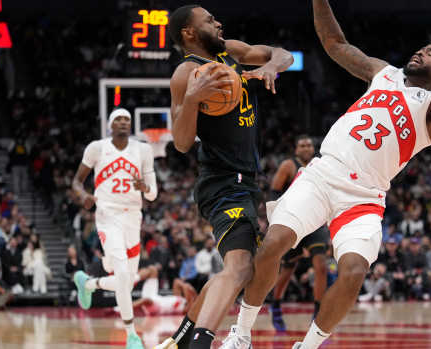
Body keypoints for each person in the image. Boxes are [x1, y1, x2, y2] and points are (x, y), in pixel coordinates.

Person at [223, 0, 431, 347]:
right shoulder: (384, 73)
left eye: (430, 54)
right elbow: (335, 44)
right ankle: (242, 333)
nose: (420, 53)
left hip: (365, 197)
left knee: (354, 272)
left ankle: (307, 346)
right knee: (274, 243)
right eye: (422, 48)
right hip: (324, 174)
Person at [155, 5, 293, 349]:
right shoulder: (187, 73)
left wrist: (272, 66)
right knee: (241, 265)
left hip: (246, 182)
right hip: (222, 182)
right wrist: (191, 100)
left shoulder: (230, 51)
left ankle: (180, 341)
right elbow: (183, 142)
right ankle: (201, 342)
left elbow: (282, 53)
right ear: (189, 32)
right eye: (209, 20)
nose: (218, 23)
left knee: (247, 266)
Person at [71, 107, 158, 349]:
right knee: (120, 273)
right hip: (107, 215)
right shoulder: (97, 148)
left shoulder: (143, 150)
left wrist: (145, 188)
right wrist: (83, 196)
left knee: (127, 282)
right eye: (118, 119)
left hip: (133, 217)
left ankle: (88, 283)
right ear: (110, 125)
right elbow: (76, 182)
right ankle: (132, 334)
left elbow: (153, 194)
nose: (123, 122)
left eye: (126, 119)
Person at [268, 135, 329, 331]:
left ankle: (318, 313)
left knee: (321, 265)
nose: (305, 148)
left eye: (309, 145)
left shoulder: (321, 165)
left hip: (315, 222)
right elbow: (274, 192)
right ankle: (275, 304)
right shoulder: (288, 165)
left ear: (313, 148)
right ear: (296, 149)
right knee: (287, 270)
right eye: (301, 145)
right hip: (293, 221)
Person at [131, 265, 197, 316]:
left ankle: (123, 309)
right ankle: (134, 279)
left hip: (154, 307)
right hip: (154, 296)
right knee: (153, 269)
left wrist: (190, 291)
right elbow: (176, 282)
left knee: (146, 300)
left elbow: (188, 291)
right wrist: (185, 286)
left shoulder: (186, 309)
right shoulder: (180, 298)